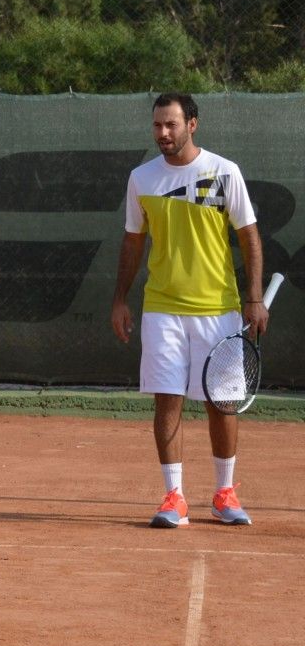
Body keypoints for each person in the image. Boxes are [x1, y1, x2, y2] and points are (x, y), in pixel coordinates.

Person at [111, 93, 268, 529]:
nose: (163, 133)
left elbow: (249, 237)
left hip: (219, 308)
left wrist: (253, 298)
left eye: (172, 125)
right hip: (162, 308)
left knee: (222, 404)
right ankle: (174, 497)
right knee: (168, 400)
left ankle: (224, 493)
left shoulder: (224, 172)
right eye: (158, 125)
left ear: (192, 124)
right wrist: (121, 298)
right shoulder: (141, 178)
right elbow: (132, 242)